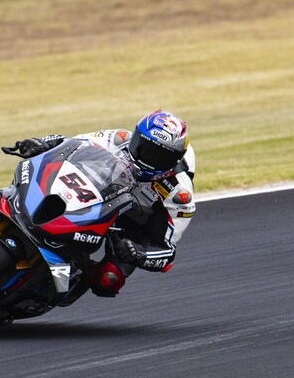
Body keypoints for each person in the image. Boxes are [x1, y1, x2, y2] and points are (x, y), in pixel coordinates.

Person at [12, 109, 196, 297]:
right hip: (98, 192)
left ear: (174, 161)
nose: (147, 157)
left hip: (128, 228)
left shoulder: (179, 196)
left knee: (108, 280)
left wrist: (138, 253)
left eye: (159, 156)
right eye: (143, 147)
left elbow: (167, 253)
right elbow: (72, 144)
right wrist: (43, 143)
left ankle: (73, 272)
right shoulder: (119, 138)